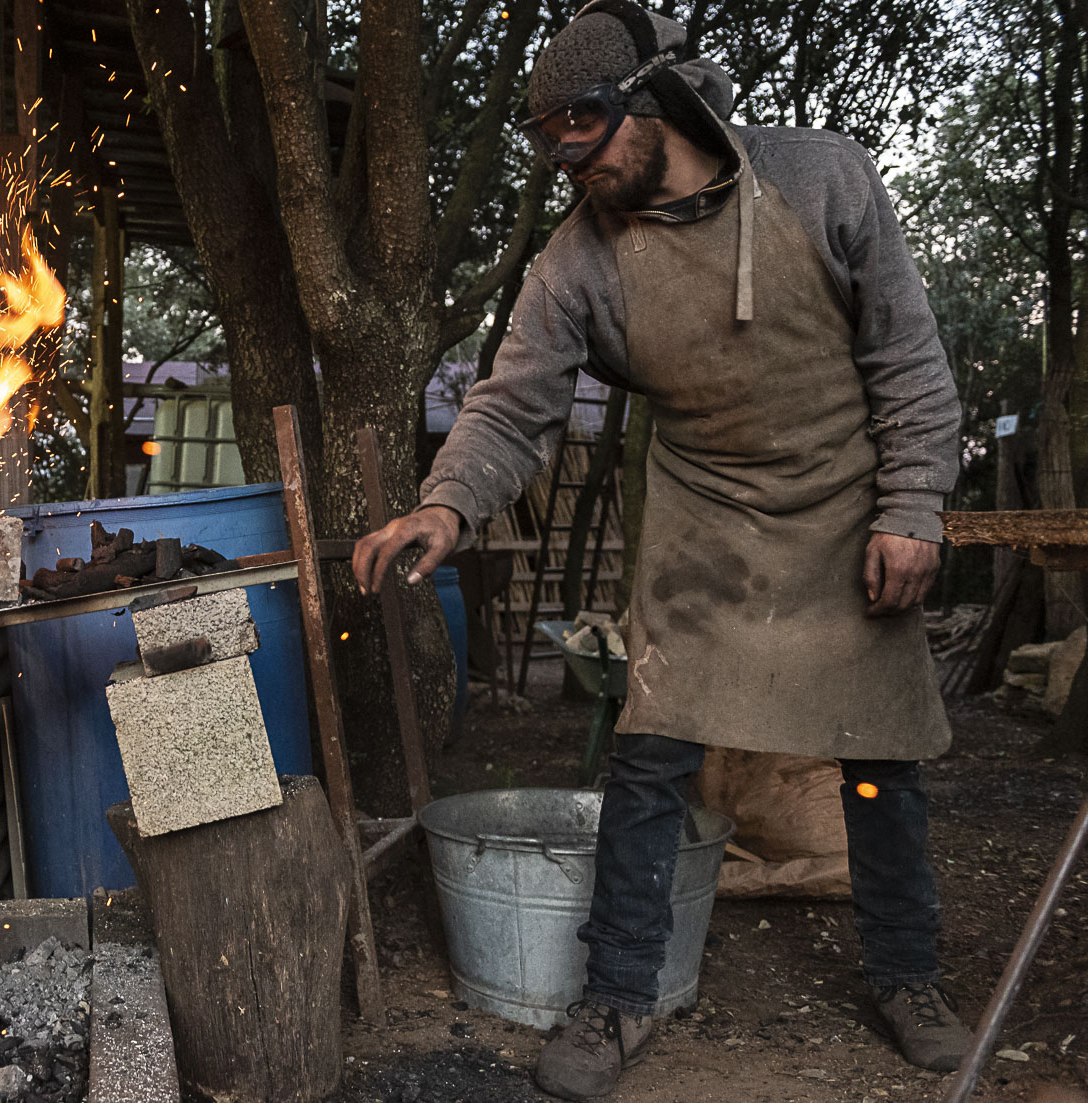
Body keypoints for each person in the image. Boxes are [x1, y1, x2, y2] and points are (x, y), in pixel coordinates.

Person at [352, 2, 968, 1098]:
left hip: (846, 503)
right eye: (548, 138)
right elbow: (510, 407)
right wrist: (444, 508)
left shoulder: (823, 179)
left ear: (657, 99)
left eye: (583, 125)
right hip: (704, 513)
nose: (567, 159)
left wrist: (912, 507)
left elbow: (907, 358)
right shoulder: (577, 259)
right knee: (650, 756)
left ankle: (907, 976)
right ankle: (620, 994)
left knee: (878, 760)